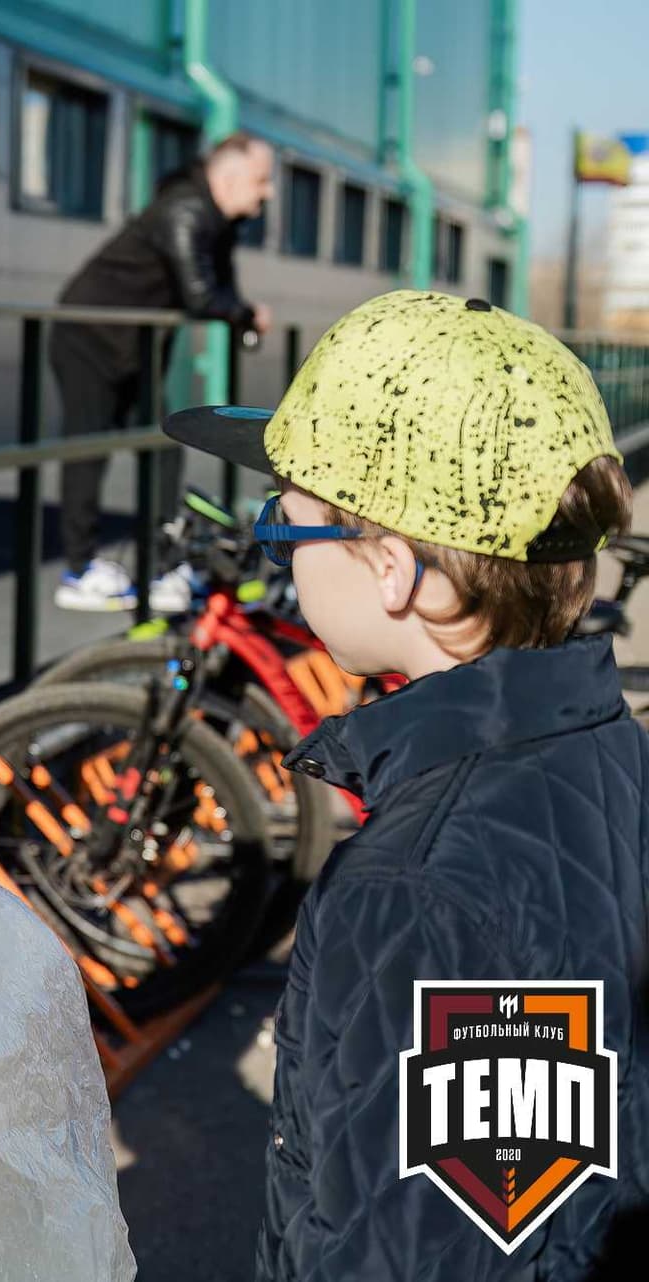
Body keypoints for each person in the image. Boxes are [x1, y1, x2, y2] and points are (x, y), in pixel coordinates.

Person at [163, 290, 648, 1280]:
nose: (280, 565)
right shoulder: (615, 762)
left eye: (284, 530)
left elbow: (412, 1251)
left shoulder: (415, 891)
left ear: (394, 569)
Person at [52, 131, 274, 613]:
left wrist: (240, 314)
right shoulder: (185, 209)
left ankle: (162, 563)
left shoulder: (217, 221)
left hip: (131, 346)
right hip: (88, 335)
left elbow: (222, 285)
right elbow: (200, 294)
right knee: (88, 446)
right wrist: (244, 315)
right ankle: (79, 569)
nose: (268, 191)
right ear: (229, 176)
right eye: (261, 180)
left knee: (162, 448)